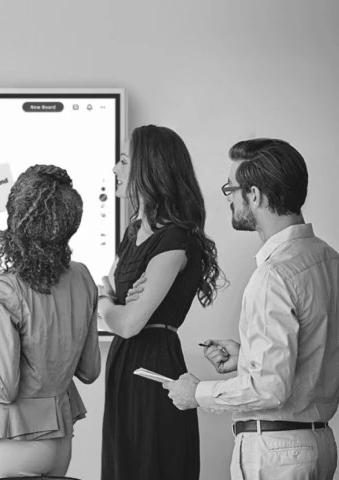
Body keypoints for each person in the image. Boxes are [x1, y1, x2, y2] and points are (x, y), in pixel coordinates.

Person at [164, 138, 339, 479]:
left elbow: (269, 387)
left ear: (254, 195)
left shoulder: (274, 275)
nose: (229, 198)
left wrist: (197, 393)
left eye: (231, 189)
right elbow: (315, 353)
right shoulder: (330, 260)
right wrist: (247, 356)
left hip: (276, 454)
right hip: (320, 444)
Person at [0, 165, 102, 480]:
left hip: (10, 441)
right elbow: (90, 371)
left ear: (16, 219)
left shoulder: (2, 289)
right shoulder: (82, 277)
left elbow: (2, 389)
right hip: (61, 442)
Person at [99, 125, 223, 480]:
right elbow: (119, 303)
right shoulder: (133, 234)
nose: (115, 169)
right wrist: (115, 303)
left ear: (149, 169)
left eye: (124, 161)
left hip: (153, 364)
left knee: (150, 463)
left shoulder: (175, 240)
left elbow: (127, 322)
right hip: (124, 362)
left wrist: (105, 301)